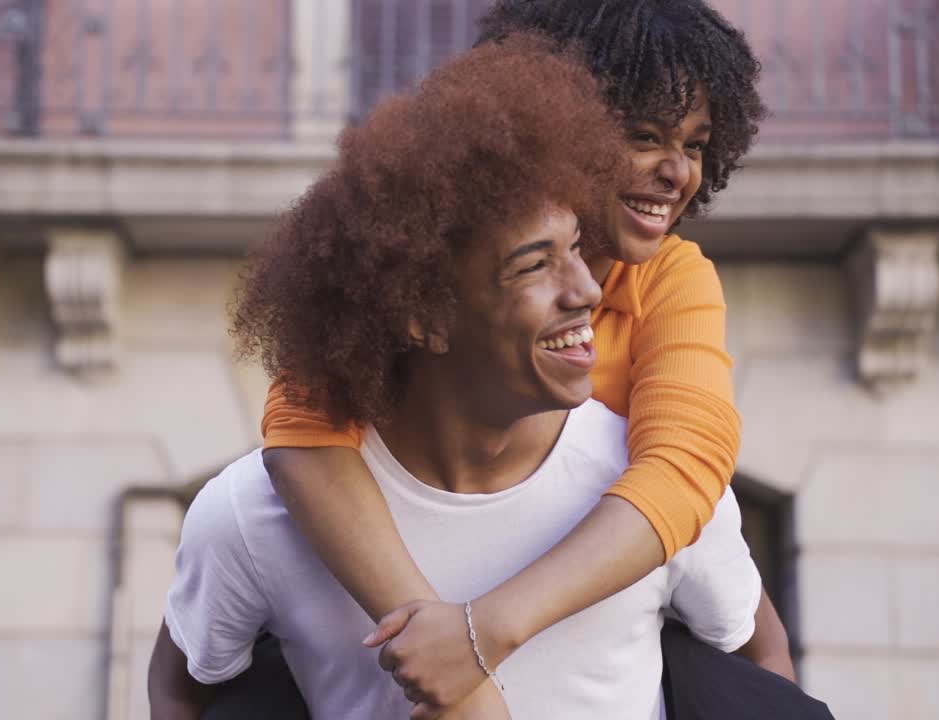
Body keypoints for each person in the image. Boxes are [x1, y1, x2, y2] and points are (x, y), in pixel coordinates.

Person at [148, 36, 775, 720]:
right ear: (421, 316)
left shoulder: (650, 443)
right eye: (536, 265)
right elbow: (183, 682)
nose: (587, 289)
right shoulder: (251, 509)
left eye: (575, 251)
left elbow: (760, 666)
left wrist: (477, 639)